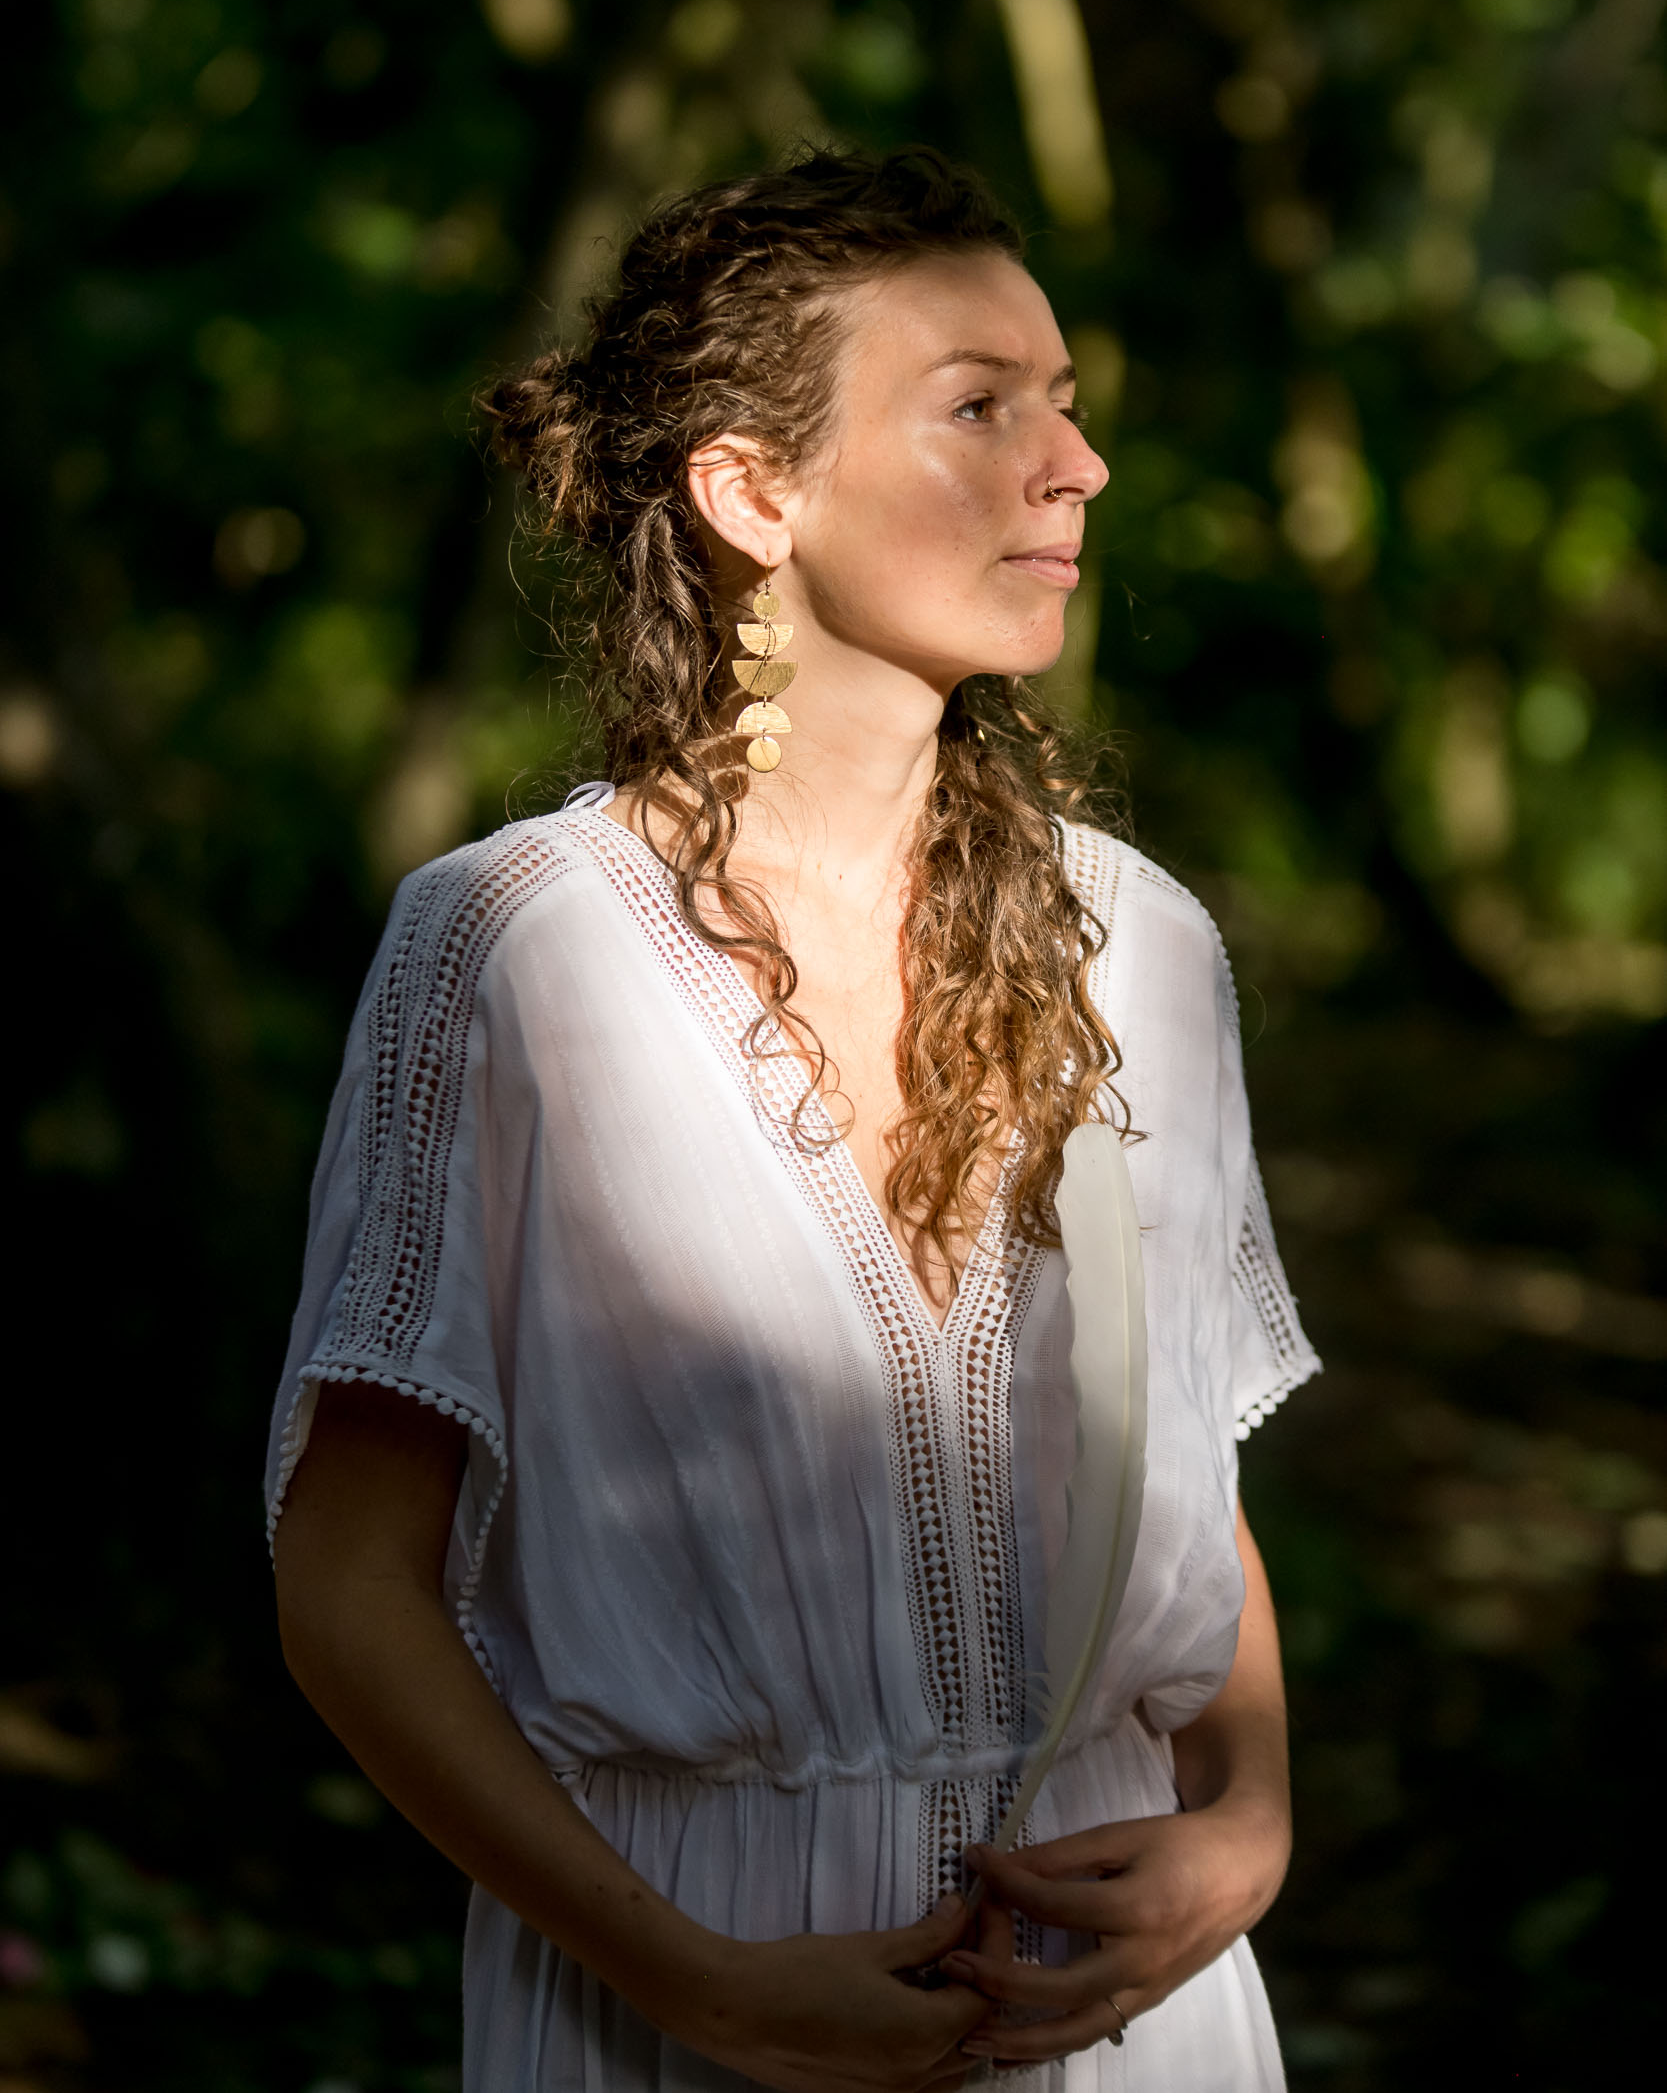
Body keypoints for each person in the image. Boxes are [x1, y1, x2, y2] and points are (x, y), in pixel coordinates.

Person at [267, 147, 1321, 2093]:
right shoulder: (521, 951)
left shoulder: (1145, 950)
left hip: (1132, 2009)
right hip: (688, 1995)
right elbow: (348, 1583)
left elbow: (1187, 1490)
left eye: (1067, 402)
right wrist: (700, 1983)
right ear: (755, 491)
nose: (1075, 466)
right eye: (980, 407)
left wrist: (1247, 1820)